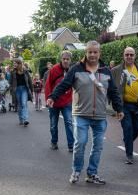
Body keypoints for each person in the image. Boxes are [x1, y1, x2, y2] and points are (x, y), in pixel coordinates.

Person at [47, 41, 124, 185]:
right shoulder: (76, 69)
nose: (92, 55)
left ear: (99, 53)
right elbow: (64, 85)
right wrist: (52, 97)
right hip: (81, 114)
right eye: (90, 52)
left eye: (95, 52)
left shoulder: (106, 71)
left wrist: (119, 109)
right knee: (80, 142)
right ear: (86, 53)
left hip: (100, 115)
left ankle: (92, 173)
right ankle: (76, 170)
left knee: (98, 145)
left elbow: (113, 91)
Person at [111, 47, 138, 164]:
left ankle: (127, 140)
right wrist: (114, 103)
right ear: (123, 56)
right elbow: (110, 88)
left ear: (135, 56)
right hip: (124, 106)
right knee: (128, 128)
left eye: (131, 55)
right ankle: (129, 155)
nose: (129, 57)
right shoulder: (116, 70)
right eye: (127, 54)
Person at [44, 51, 74, 151]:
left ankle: (71, 145)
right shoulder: (54, 70)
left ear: (70, 60)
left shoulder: (72, 70)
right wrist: (48, 99)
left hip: (67, 102)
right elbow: (48, 85)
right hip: (54, 102)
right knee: (53, 124)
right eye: (64, 59)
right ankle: (54, 142)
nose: (65, 60)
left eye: (67, 59)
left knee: (69, 122)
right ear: (61, 59)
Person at [10, 58, 33, 126]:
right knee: (19, 104)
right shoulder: (13, 72)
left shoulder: (25, 71)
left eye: (15, 63)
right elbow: (10, 82)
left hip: (24, 89)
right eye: (13, 63)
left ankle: (25, 119)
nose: (14, 64)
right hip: (17, 90)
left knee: (24, 103)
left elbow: (29, 81)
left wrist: (31, 91)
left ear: (19, 64)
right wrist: (11, 90)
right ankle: (21, 119)